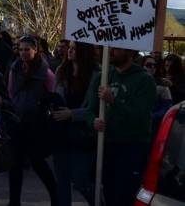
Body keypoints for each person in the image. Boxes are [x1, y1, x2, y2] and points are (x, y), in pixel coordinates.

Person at [87, 47, 156, 206]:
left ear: (130, 52)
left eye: (116, 48)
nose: (110, 51)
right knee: (107, 194)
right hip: (107, 145)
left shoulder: (144, 80)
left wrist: (114, 101)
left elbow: (140, 117)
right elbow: (90, 110)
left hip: (132, 147)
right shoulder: (102, 76)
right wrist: (93, 121)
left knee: (125, 197)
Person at [8, 35, 58, 206]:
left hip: (37, 123)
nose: (23, 53)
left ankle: (55, 197)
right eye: (20, 49)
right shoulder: (15, 68)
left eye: (27, 49)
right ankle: (14, 201)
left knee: (37, 162)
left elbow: (53, 94)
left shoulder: (46, 73)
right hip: (18, 120)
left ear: (35, 50)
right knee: (15, 164)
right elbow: (11, 91)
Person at [51, 42, 98, 206]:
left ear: (84, 51)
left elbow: (96, 109)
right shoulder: (62, 71)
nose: (69, 50)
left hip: (84, 134)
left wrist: (73, 114)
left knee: (80, 180)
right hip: (61, 132)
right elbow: (55, 96)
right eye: (69, 47)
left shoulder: (97, 75)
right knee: (62, 180)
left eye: (74, 48)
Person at [142, 55, 173, 134]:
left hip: (154, 127)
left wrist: (152, 116)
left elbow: (167, 107)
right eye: (149, 65)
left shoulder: (163, 86)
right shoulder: (134, 83)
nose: (152, 67)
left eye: (154, 65)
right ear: (141, 66)